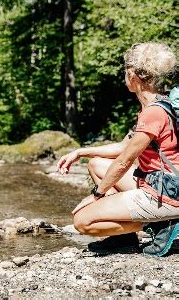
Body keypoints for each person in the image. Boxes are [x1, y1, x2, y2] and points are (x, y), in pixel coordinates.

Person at [57, 42, 179, 256]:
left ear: (133, 75)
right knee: (96, 165)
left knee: (83, 221)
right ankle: (123, 239)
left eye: (125, 72)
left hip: (166, 193)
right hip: (162, 183)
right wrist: (81, 152)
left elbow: (123, 161)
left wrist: (97, 195)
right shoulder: (158, 104)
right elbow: (124, 146)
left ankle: (159, 224)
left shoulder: (153, 114)